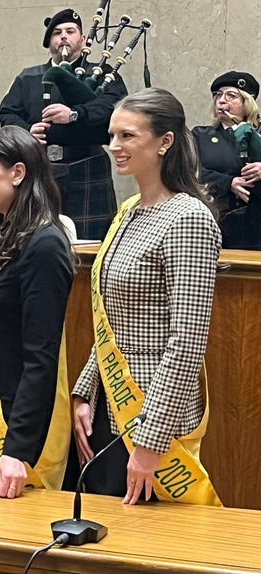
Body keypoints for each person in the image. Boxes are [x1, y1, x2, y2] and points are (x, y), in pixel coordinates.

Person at [72, 88, 222, 506]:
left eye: (127, 136)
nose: (114, 147)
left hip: (155, 418)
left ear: (165, 142)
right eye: (112, 135)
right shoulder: (130, 209)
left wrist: (150, 441)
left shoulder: (188, 217)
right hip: (108, 406)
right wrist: (85, 392)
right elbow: (109, 319)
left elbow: (187, 343)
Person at [0, 126, 74, 497]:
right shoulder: (5, 236)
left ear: (17, 173)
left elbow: (40, 355)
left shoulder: (45, 245)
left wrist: (17, 449)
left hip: (24, 436)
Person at [0, 8, 128, 240]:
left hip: (87, 166)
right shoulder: (28, 77)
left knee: (89, 243)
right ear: (49, 42)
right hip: (40, 168)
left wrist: (75, 114)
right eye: (57, 32)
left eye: (70, 31)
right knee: (35, 238)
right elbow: (7, 113)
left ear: (83, 39)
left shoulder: (102, 74)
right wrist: (26, 132)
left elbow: (116, 111)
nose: (64, 37)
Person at [192, 71, 261, 249]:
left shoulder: (258, 137)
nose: (221, 101)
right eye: (218, 95)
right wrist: (228, 182)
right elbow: (190, 171)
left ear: (248, 103)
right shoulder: (201, 135)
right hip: (217, 223)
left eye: (231, 96)